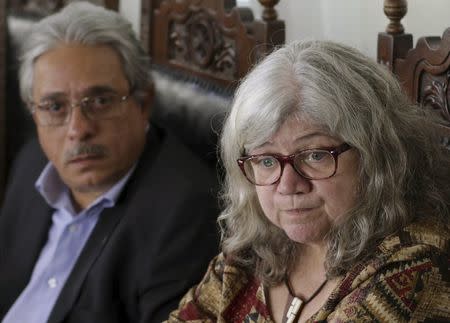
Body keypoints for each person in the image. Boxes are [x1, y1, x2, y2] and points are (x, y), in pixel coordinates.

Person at [167, 40, 450, 322]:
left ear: (376, 155)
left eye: (315, 155)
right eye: (266, 160)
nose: (288, 185)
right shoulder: (254, 250)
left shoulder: (415, 267)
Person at [0, 2, 220, 323]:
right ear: (34, 112)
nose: (78, 129)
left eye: (100, 101)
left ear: (143, 103)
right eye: (55, 106)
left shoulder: (186, 216)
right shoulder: (33, 161)